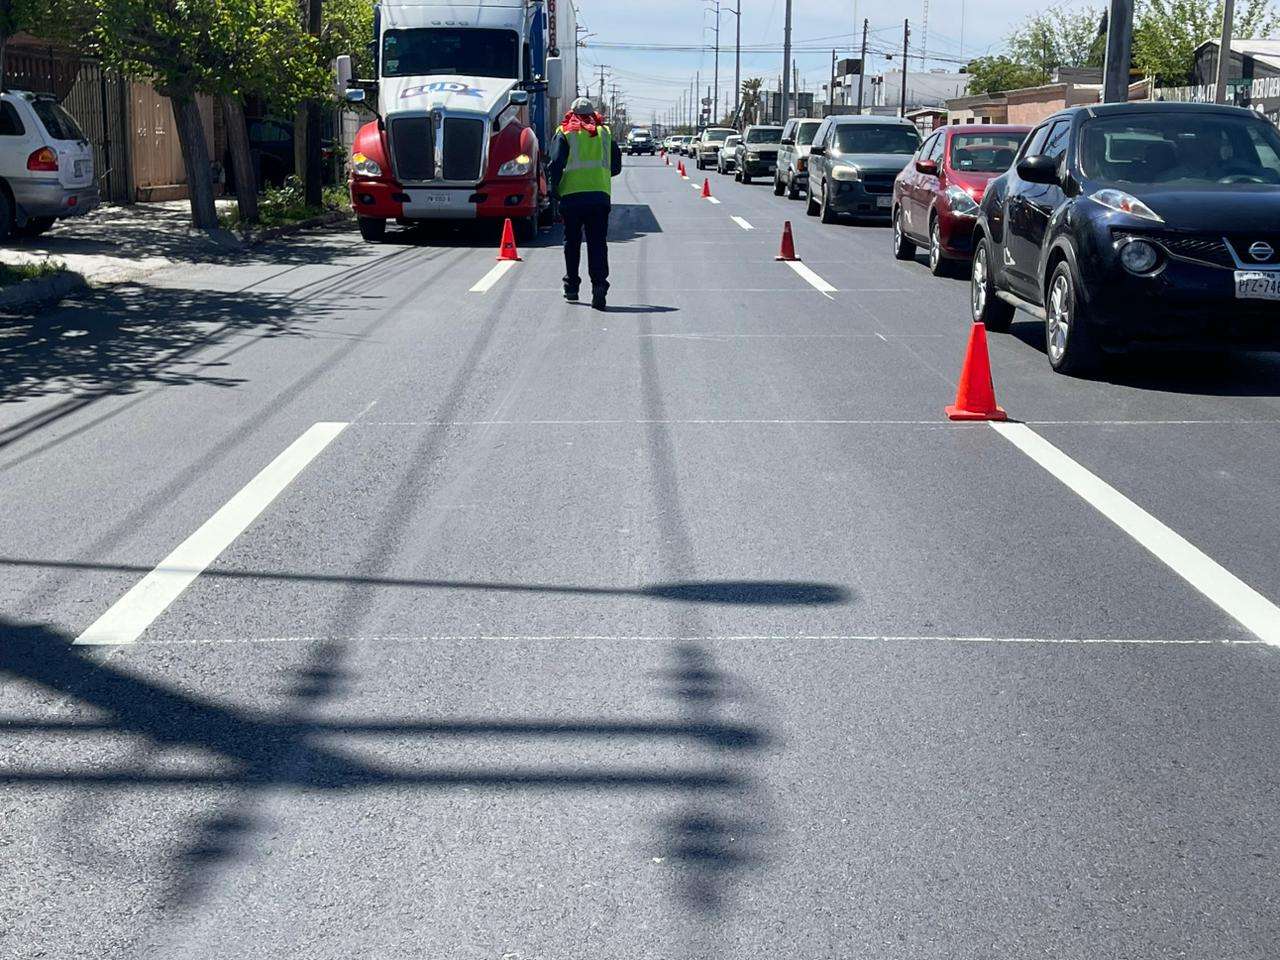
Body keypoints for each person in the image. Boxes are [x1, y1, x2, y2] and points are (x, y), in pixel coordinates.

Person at [548, 97, 623, 311]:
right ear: (592, 113)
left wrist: (554, 189)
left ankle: (571, 287)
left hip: (571, 197)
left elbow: (555, 163)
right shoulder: (605, 133)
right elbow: (616, 166)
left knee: (572, 242)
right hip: (599, 196)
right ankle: (599, 286)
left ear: (571, 113)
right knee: (597, 243)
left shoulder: (565, 132)